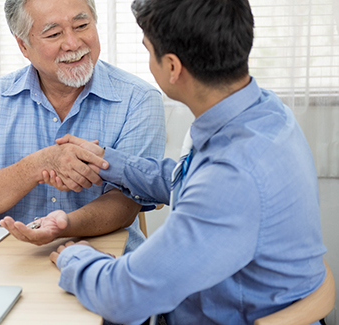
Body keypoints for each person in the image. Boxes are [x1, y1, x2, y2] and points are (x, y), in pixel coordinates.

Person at [49, 0, 327, 324]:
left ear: (172, 67)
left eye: (147, 50)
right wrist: (108, 162)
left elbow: (122, 296)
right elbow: (191, 179)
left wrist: (74, 256)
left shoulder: (232, 176)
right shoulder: (263, 112)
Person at [0, 0, 165, 251]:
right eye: (54, 34)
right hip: (10, 260)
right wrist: (39, 164)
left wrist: (62, 225)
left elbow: (125, 204)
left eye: (81, 25)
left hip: (105, 262)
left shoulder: (139, 98)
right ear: (23, 45)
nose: (73, 44)